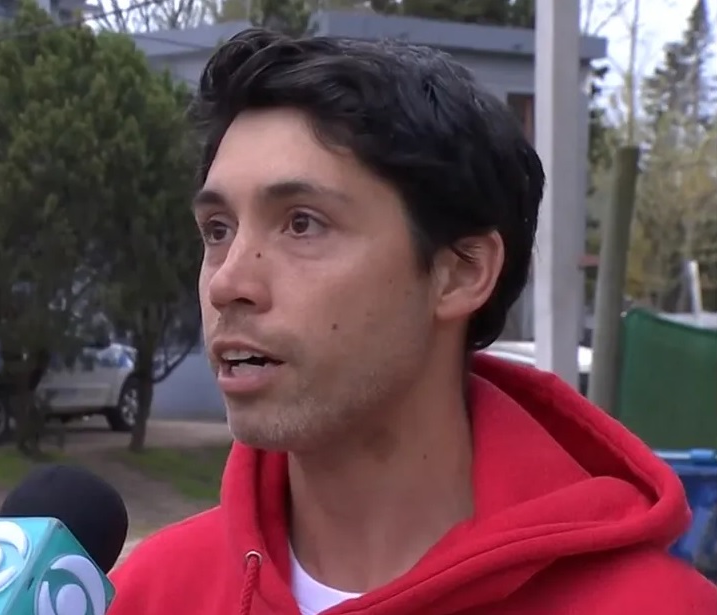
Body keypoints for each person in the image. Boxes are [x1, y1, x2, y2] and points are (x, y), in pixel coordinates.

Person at [108, 28, 717, 614]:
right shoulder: (148, 595)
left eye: (302, 223)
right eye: (218, 230)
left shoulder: (657, 608)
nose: (227, 283)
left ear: (460, 271)